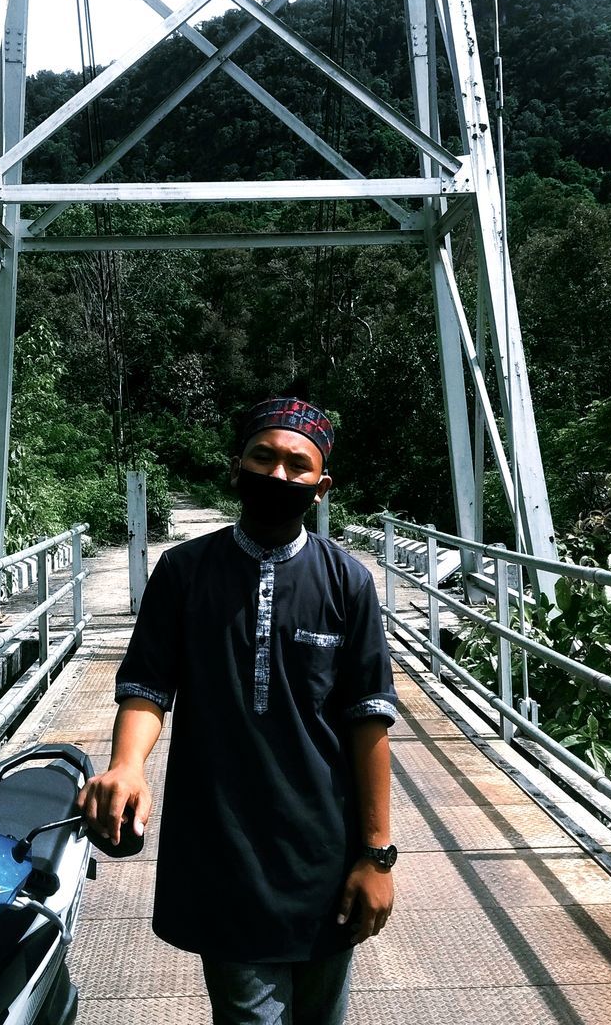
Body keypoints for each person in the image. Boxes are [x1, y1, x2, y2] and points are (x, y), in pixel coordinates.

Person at [78, 397, 398, 1024]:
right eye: (263, 457)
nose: (277, 476)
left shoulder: (346, 583)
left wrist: (377, 855)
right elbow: (147, 687)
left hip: (323, 857)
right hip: (221, 850)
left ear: (321, 486)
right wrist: (127, 765)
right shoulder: (185, 572)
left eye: (296, 466)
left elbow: (369, 721)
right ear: (238, 466)